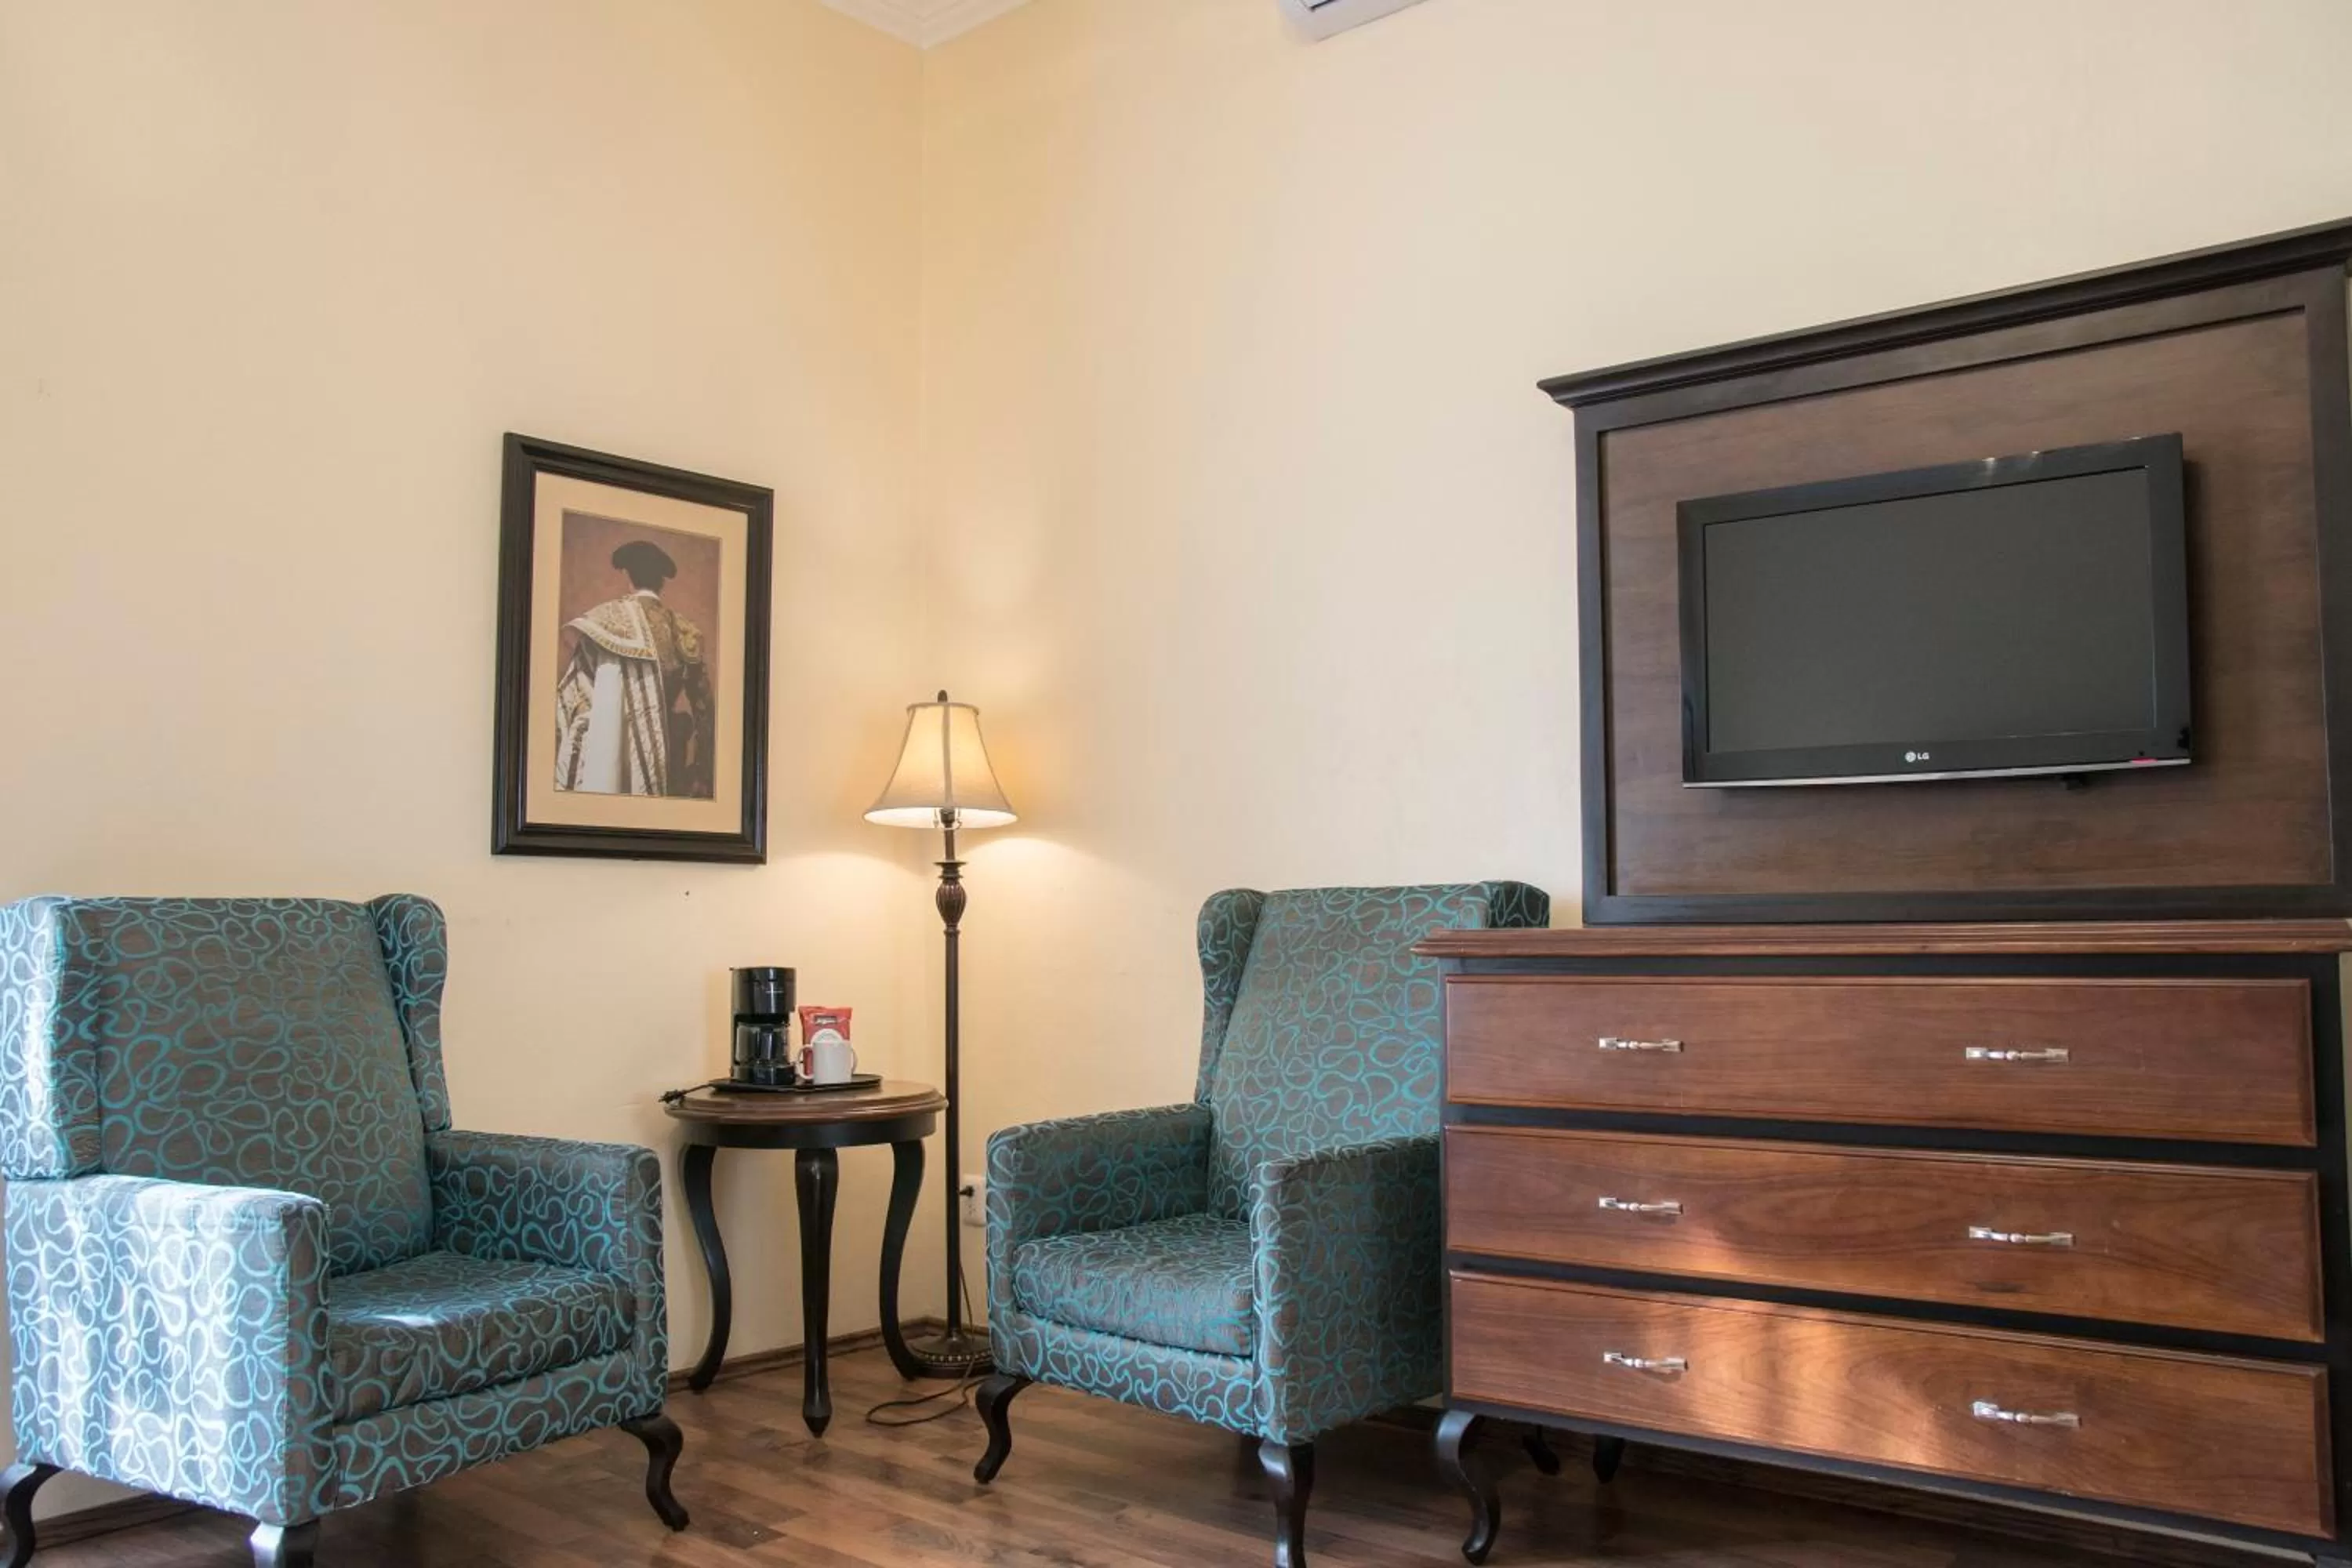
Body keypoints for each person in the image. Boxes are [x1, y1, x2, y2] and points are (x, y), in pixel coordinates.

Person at [553, 538, 715, 797]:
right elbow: (705, 710)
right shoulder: (684, 631)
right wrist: (703, 771)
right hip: (671, 757)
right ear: (662, 581)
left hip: (607, 759)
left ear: (627, 574)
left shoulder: (602, 621)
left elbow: (573, 701)